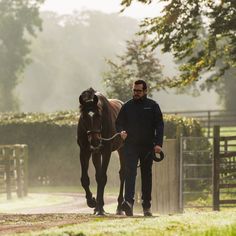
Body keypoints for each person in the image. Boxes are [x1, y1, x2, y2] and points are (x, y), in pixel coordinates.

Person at [115, 79, 164, 216]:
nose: (136, 93)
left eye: (139, 91)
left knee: (146, 176)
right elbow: (118, 123)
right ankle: (128, 203)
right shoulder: (127, 106)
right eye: (134, 90)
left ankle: (146, 206)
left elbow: (160, 125)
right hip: (130, 146)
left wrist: (158, 144)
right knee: (129, 173)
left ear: (145, 91)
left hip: (148, 147)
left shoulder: (153, 106)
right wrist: (121, 132)